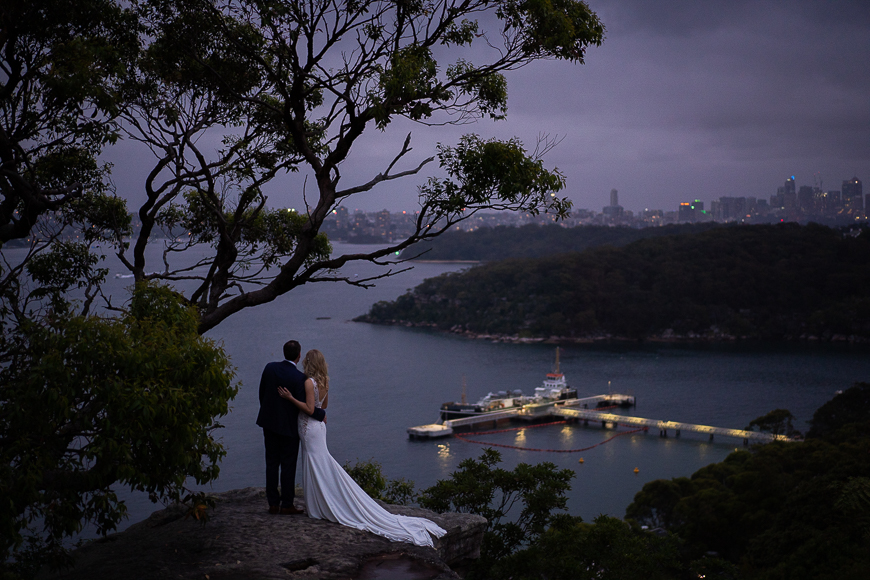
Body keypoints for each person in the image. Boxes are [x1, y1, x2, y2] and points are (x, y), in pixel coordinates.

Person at [278, 349, 446, 548]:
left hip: (309, 427)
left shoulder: (309, 382)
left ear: (309, 363)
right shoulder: (324, 382)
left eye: (306, 360)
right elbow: (325, 407)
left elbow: (310, 409)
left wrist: (290, 398)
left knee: (316, 462)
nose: (303, 361)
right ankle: (319, 503)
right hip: (318, 428)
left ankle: (321, 505)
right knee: (318, 462)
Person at [256, 340, 326, 515]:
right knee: (288, 465)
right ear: (299, 355)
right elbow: (306, 408)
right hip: (289, 428)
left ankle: (272, 503)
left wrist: (269, 414)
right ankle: (286, 504)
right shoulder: (299, 378)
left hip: (269, 424)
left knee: (271, 463)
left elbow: (262, 394)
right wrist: (321, 415)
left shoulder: (269, 368)